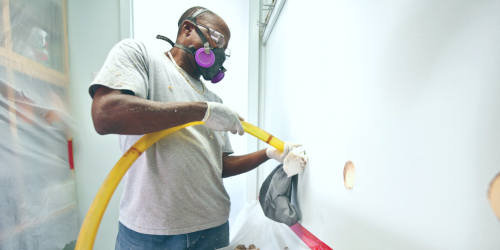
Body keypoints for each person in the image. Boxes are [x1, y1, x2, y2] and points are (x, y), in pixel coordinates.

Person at [89, 6, 303, 250]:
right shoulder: (142, 57)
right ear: (187, 29)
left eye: (225, 48)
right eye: (218, 39)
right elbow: (105, 114)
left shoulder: (214, 100)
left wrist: (268, 154)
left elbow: (219, 166)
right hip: (150, 233)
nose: (220, 51)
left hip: (213, 228)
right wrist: (202, 112)